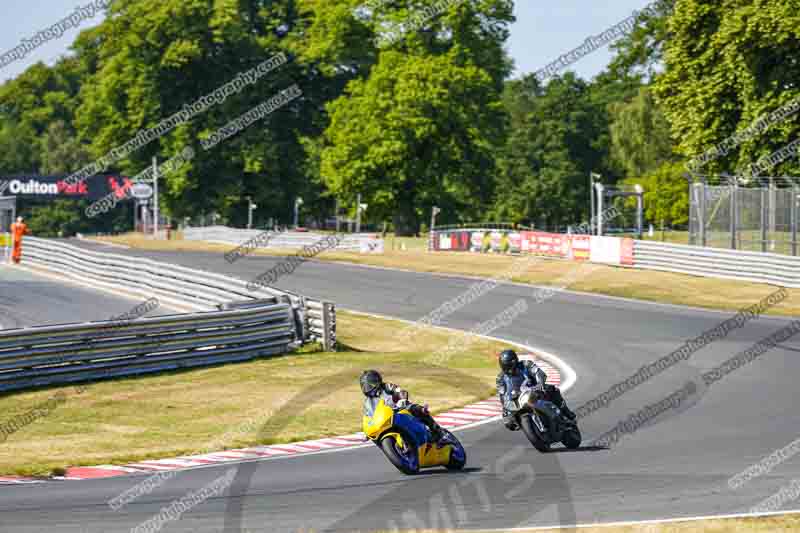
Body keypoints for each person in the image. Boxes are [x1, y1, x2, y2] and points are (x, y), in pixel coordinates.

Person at [496, 349, 575, 430]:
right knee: (508, 419)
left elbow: (538, 372)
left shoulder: (526, 364)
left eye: (510, 365)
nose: (509, 368)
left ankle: (566, 412)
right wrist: (505, 407)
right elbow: (502, 394)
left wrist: (540, 383)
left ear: (515, 361)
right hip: (518, 399)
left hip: (534, 390)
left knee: (551, 389)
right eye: (506, 366)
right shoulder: (500, 378)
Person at [360, 369, 445, 444]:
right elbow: (368, 416)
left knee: (418, 409)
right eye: (365, 386)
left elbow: (401, 391)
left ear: (377, 380)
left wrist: (402, 400)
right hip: (386, 420)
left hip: (400, 409)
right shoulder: (368, 402)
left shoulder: (386, 387)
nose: (368, 388)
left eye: (370, 385)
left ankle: (438, 432)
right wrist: (366, 431)